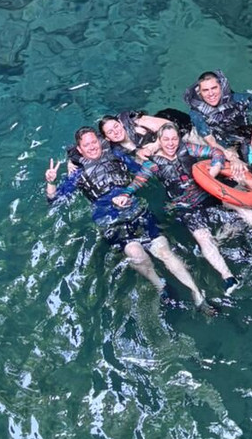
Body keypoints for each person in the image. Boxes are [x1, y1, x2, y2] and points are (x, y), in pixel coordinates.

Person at [45, 127, 209, 311]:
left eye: (94, 142)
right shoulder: (77, 174)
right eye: (86, 145)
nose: (92, 147)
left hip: (135, 208)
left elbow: (143, 170)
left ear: (99, 142)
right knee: (135, 253)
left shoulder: (117, 156)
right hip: (110, 219)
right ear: (80, 149)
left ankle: (197, 294)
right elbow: (55, 200)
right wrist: (51, 182)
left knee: (164, 251)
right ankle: (161, 286)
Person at [138, 123, 241, 294]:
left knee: (235, 224)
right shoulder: (153, 164)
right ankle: (228, 276)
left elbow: (216, 152)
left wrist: (215, 168)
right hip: (186, 206)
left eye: (174, 139)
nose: (171, 143)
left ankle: (220, 240)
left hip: (207, 194)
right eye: (166, 140)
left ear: (179, 139)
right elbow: (137, 181)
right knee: (202, 238)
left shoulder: (188, 149)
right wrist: (125, 194)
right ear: (159, 141)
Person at [183, 71, 252, 166]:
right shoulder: (197, 113)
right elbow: (211, 141)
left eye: (214, 88)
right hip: (222, 143)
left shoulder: (236, 99)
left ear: (221, 87)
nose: (210, 94)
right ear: (200, 92)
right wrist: (234, 159)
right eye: (205, 90)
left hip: (242, 134)